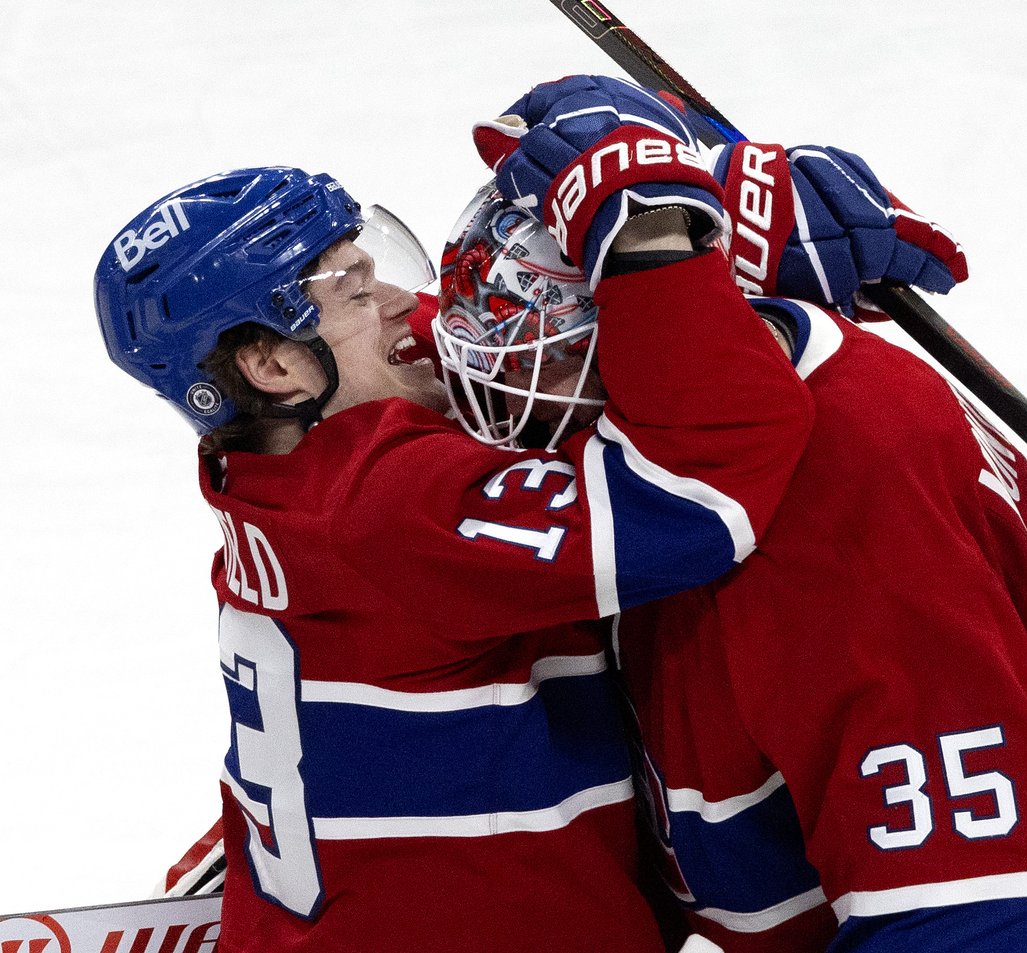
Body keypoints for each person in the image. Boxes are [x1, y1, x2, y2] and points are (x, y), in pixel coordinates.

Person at [459, 75, 1027, 953]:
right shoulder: (716, 421)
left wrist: (667, 220)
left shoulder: (842, 500)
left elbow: (998, 919)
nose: (492, 374)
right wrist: (693, 190)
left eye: (544, 332)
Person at [93, 79, 816, 953]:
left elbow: (466, 333)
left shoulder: (267, 469)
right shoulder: (397, 504)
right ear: (276, 366)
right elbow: (699, 497)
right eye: (360, 294)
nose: (407, 304)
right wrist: (656, 248)